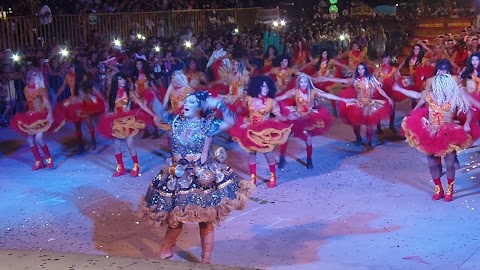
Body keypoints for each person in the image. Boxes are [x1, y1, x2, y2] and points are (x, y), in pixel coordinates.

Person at [138, 91, 254, 264]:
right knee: (175, 220)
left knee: (206, 220)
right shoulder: (176, 121)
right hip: (177, 176)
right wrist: (151, 97)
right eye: (186, 101)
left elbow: (231, 121)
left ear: (200, 107)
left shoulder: (208, 125)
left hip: (202, 176)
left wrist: (218, 104)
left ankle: (206, 259)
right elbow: (161, 113)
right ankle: (166, 249)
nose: (186, 104)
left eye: (191, 102)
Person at [393, 59, 475, 202]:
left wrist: (467, 124)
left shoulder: (454, 97)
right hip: (430, 133)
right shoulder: (429, 95)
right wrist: (400, 89)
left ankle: (450, 190)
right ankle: (439, 189)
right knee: (431, 163)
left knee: (449, 164)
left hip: (448, 134)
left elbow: (470, 110)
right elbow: (417, 96)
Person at [275, 73, 351, 169]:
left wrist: (343, 99)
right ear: (298, 82)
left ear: (308, 82)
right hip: (296, 116)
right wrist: (269, 101)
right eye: (301, 81)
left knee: (308, 139)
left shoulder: (313, 91)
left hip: (308, 117)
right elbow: (279, 98)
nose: (303, 84)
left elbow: (327, 95)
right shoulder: (294, 91)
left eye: (305, 81)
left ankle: (309, 159)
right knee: (285, 137)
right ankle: (282, 158)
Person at [229, 75, 292, 188]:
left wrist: (288, 118)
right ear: (257, 87)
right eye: (263, 87)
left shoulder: (271, 102)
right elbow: (241, 110)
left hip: (264, 130)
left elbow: (279, 116)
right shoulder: (249, 99)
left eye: (267, 87)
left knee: (267, 154)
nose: (265, 89)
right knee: (252, 154)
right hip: (251, 130)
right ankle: (252, 178)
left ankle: (273, 175)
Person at [318, 63, 393, 150]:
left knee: (369, 125)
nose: (361, 71)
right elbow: (343, 81)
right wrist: (327, 78)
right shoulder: (355, 80)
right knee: (356, 125)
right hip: (358, 104)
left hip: (369, 104)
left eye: (362, 69)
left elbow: (379, 90)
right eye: (359, 69)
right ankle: (358, 137)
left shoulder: (371, 79)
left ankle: (369, 142)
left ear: (365, 70)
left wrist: (388, 98)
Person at [97, 72, 151, 177]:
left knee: (129, 144)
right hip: (117, 122)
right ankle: (120, 167)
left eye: (123, 79)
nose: (123, 81)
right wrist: (108, 114)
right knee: (116, 145)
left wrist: (153, 115)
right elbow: (108, 107)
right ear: (116, 81)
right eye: (120, 79)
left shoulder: (130, 92)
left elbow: (141, 104)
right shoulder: (112, 93)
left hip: (129, 121)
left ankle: (136, 166)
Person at [10, 70, 65, 170]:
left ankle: (49, 159)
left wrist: (50, 114)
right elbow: (29, 103)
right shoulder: (26, 88)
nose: (32, 78)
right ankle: (38, 161)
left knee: (38, 139)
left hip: (41, 116)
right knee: (30, 139)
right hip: (31, 115)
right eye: (31, 76)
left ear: (38, 78)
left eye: (35, 76)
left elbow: (47, 102)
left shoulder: (41, 89)